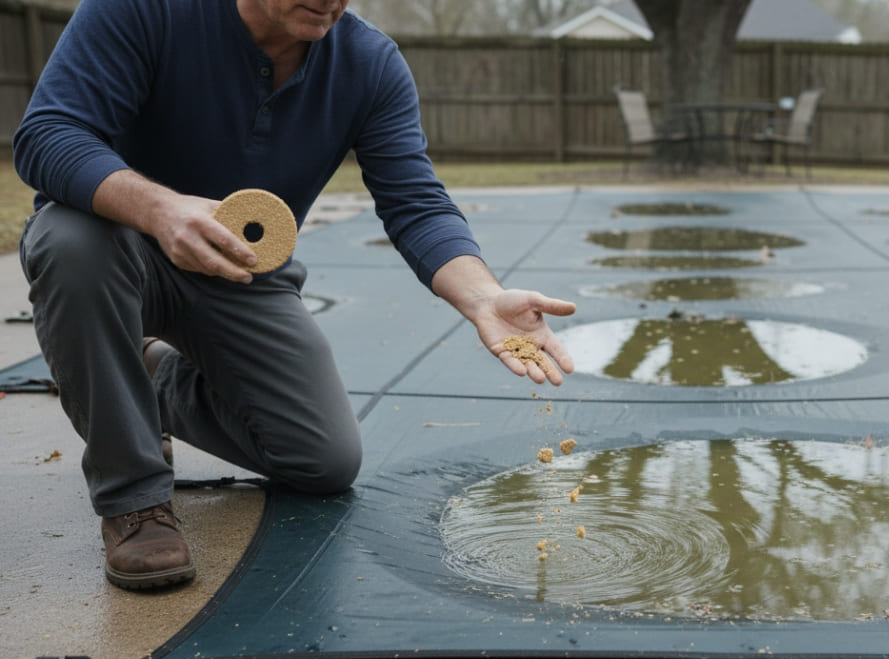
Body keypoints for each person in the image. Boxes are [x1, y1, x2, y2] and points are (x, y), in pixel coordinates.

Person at [13, 0, 576, 591]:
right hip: (114, 246)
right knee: (67, 241)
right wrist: (159, 209)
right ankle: (134, 501)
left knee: (323, 461)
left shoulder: (368, 64)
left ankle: (148, 378)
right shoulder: (143, 11)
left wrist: (482, 297)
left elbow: (415, 200)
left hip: (244, 271)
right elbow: (49, 132)